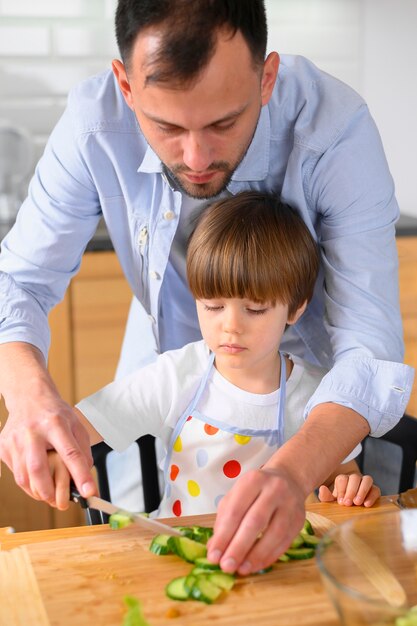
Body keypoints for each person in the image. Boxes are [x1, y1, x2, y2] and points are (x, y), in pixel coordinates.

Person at [0, 0, 413, 574]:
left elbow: (368, 347)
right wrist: (28, 397)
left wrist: (294, 472)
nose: (195, 159)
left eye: (224, 123)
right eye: (166, 127)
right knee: (139, 545)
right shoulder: (92, 125)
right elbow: (17, 280)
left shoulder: (333, 130)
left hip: (311, 412)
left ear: (266, 78)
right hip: (160, 374)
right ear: (125, 85)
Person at [47, 193, 380, 564]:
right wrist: (55, 452)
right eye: (213, 306)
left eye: (254, 309)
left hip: (272, 561)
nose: (231, 326)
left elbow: (340, 474)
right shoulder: (177, 376)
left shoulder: (318, 395)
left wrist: (347, 485)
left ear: (295, 308)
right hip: (177, 553)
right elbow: (82, 426)